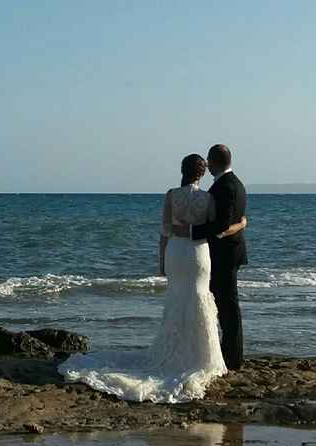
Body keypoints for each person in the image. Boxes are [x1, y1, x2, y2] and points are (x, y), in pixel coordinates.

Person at [57, 154, 246, 403]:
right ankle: (201, 356)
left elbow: (165, 232)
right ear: (202, 173)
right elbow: (214, 227)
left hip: (176, 252)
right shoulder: (208, 198)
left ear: (183, 171)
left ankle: (174, 351)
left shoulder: (171, 195)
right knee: (198, 295)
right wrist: (240, 224)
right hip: (199, 253)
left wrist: (161, 262)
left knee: (177, 296)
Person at [174, 144, 248, 370]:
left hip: (224, 254)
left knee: (227, 306)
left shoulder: (224, 187)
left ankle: (232, 357)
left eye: (209, 161)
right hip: (231, 252)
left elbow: (220, 227)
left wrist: (189, 232)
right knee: (224, 305)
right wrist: (242, 224)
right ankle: (227, 352)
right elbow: (234, 219)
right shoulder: (238, 184)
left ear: (214, 162)